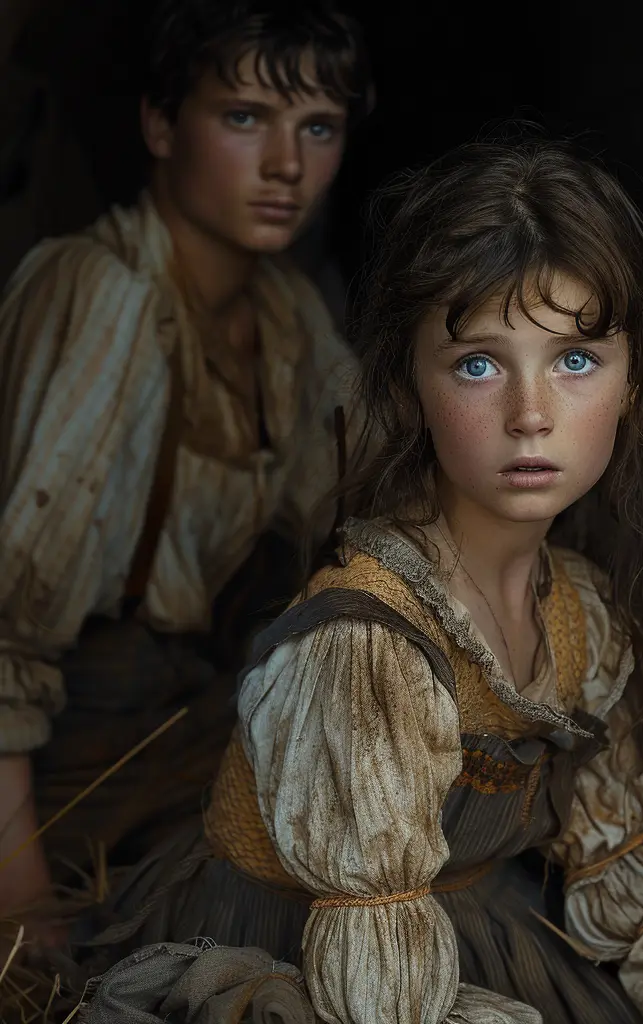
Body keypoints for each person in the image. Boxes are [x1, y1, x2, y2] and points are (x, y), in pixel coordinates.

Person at [76, 138, 643, 1024]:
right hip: (321, 964)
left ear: (633, 379)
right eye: (477, 363)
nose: (531, 415)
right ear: (409, 384)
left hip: (467, 927)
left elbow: (620, 865)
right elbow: (376, 979)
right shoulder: (366, 643)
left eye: (575, 359)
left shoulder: (578, 613)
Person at [0, 0, 372, 932]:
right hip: (58, 767)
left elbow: (375, 525)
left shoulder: (290, 321)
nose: (287, 165)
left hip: (185, 725)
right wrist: (26, 920)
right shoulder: (102, 296)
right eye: (244, 118)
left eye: (317, 127)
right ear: (161, 124)